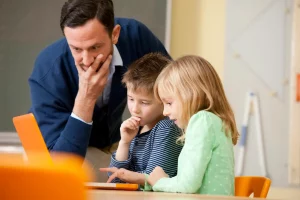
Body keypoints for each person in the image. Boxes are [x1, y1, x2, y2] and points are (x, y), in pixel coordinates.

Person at [28, 0, 169, 181]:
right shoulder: (48, 69)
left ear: (115, 34)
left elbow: (175, 91)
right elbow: (62, 165)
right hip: (64, 153)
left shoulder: (136, 37)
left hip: (114, 143)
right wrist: (86, 97)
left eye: (95, 47)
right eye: (76, 49)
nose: (86, 60)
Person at [147, 55, 239, 195]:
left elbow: (187, 186)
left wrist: (160, 181)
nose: (165, 112)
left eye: (169, 103)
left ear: (192, 94)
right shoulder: (214, 122)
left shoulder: (203, 120)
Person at [100, 53, 182, 186]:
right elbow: (114, 179)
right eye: (131, 99)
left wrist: (126, 176)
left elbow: (154, 181)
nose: (134, 109)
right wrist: (124, 142)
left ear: (164, 100)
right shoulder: (136, 128)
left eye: (144, 102)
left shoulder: (167, 128)